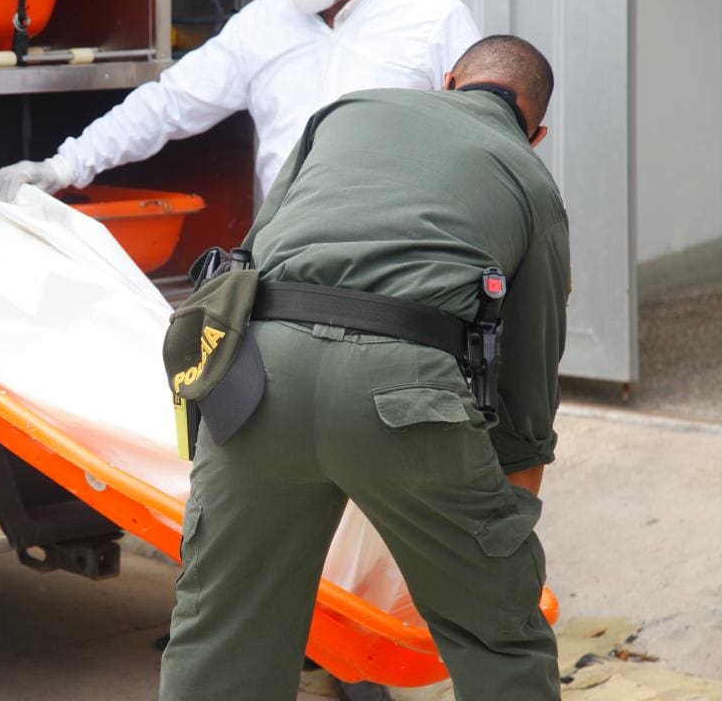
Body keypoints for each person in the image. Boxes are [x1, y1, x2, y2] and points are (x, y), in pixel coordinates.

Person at [158, 35, 569, 700]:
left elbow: (253, 254)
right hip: (405, 393)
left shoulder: (345, 113)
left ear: (448, 81)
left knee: (223, 631)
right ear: (537, 132)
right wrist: (504, 522)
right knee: (498, 633)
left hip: (259, 380)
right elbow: (529, 371)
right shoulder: (531, 180)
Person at [0, 0, 481, 203]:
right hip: (288, 262)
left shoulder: (432, 19)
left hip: (396, 264)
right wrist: (64, 166)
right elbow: (168, 103)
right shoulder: (262, 24)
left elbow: (483, 140)